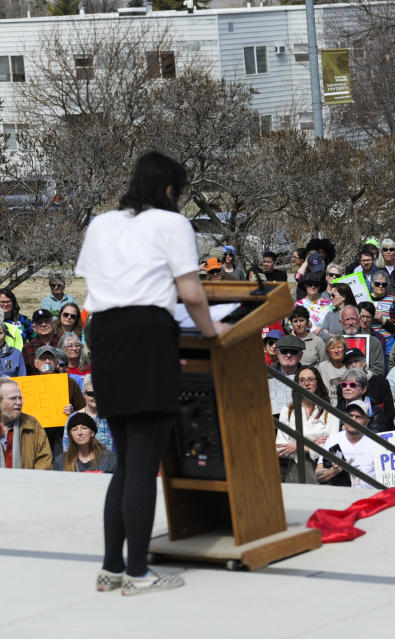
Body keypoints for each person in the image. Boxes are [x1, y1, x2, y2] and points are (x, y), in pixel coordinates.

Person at [76, 152, 227, 595]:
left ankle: (111, 568)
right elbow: (191, 292)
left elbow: (96, 283)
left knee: (126, 461)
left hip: (104, 334)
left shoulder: (101, 223)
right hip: (147, 333)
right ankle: (138, 574)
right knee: (143, 465)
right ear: (168, 189)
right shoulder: (171, 223)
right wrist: (210, 331)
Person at [276, 365, 339, 484]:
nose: (306, 383)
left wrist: (298, 446)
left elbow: (333, 449)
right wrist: (314, 444)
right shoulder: (288, 410)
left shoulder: (329, 411)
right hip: (295, 469)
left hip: (321, 469)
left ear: (318, 382)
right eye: (302, 380)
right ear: (297, 384)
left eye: (311, 379)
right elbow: (280, 448)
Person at [316, 400, 380, 489]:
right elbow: (318, 476)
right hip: (342, 497)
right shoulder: (334, 440)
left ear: (367, 422)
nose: (353, 419)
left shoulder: (376, 442)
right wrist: (333, 471)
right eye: (350, 415)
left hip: (369, 498)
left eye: (358, 417)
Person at [0, 377, 52, 470]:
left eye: (20, 398)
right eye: (13, 399)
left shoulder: (32, 424)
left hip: (28, 483)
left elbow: (44, 461)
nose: (19, 402)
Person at [22, 309, 61, 374]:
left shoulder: (64, 341)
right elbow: (26, 372)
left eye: (46, 321)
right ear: (34, 328)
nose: (43, 325)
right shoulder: (27, 347)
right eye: (39, 322)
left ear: (53, 324)